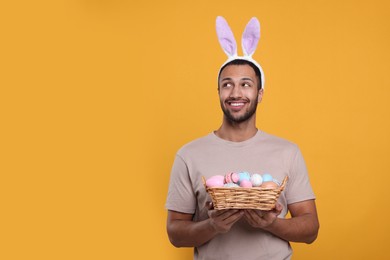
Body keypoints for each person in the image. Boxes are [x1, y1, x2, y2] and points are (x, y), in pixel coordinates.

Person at [165, 16, 319, 260]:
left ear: (260, 93)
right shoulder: (189, 155)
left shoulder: (288, 152)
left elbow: (311, 229)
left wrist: (271, 224)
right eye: (227, 84)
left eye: (245, 84)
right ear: (218, 92)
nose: (236, 93)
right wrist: (212, 226)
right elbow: (175, 233)